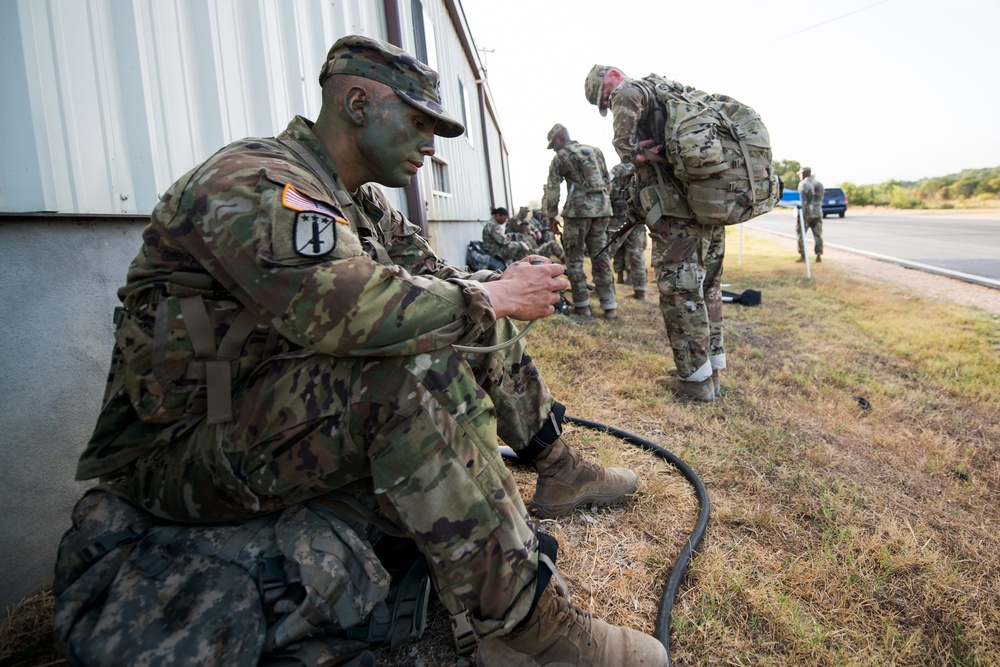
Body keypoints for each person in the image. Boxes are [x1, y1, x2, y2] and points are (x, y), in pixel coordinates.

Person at [69, 35, 665, 665]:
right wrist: (489, 297)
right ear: (357, 104)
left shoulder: (360, 203)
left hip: (263, 408)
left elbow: (443, 286)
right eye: (416, 123)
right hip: (185, 444)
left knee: (470, 308)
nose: (431, 145)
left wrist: (493, 290)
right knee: (406, 372)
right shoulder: (255, 181)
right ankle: (531, 632)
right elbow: (350, 312)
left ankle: (559, 468)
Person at [585, 65, 725, 402]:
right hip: (708, 203)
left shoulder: (628, 91)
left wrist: (641, 154)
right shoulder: (671, 91)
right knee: (708, 285)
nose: (610, 104)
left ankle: (695, 382)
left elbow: (623, 148)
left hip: (676, 211)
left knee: (678, 290)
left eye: (605, 96)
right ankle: (713, 371)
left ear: (613, 76)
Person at [544, 123, 617, 321]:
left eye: (554, 144)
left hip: (577, 212)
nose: (555, 149)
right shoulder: (595, 151)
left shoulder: (561, 157)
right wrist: (599, 203)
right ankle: (610, 307)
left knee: (574, 258)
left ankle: (582, 307)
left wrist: (552, 216)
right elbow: (607, 182)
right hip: (602, 209)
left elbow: (552, 189)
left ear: (560, 138)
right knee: (600, 256)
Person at [607, 162, 648, 300]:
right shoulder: (642, 167)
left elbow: (609, 191)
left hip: (619, 217)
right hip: (639, 216)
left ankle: (604, 290)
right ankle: (640, 291)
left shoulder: (617, 169)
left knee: (606, 253)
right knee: (637, 254)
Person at [797, 166, 825, 263]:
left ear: (804, 174)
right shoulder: (819, 184)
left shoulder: (803, 184)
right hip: (817, 213)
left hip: (806, 214)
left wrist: (800, 216)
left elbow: (802, 201)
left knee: (801, 235)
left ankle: (803, 256)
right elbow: (821, 199)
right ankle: (818, 256)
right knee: (818, 235)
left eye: (800, 174)